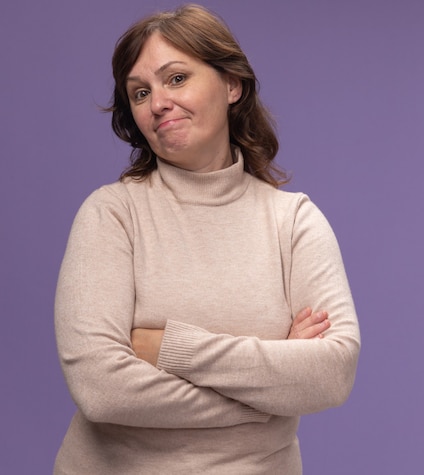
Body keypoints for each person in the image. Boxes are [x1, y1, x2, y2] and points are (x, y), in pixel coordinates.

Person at [54, 4, 360, 474]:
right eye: (140, 92)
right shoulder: (112, 214)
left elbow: (331, 373)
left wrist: (168, 348)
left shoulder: (294, 220)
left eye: (176, 78)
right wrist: (268, 394)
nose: (157, 103)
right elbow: (101, 388)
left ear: (232, 85)